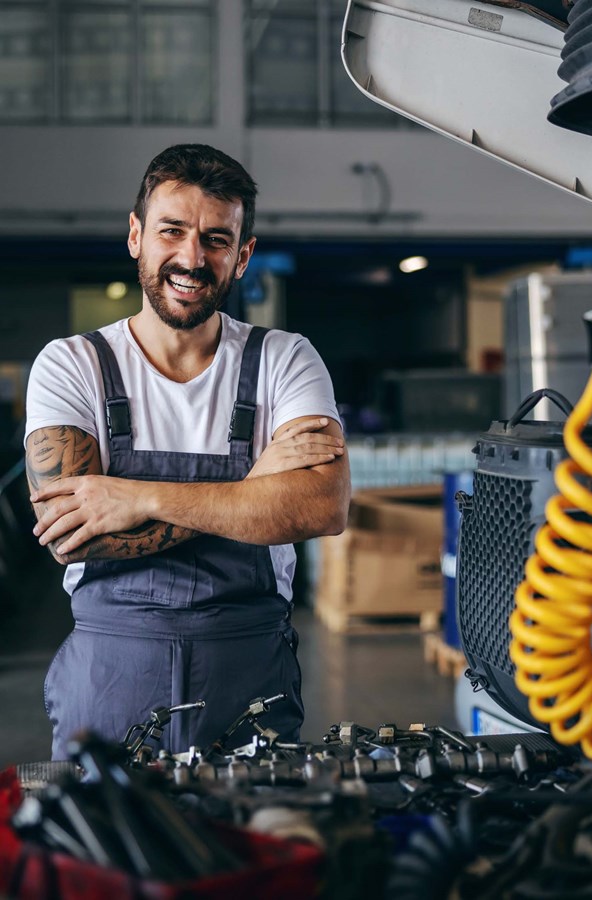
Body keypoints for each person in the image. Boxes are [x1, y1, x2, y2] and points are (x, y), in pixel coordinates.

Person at [25, 144, 350, 760]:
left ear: (243, 254)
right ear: (135, 236)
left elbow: (319, 508)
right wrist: (254, 492)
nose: (191, 258)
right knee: (105, 847)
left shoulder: (284, 359)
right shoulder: (72, 365)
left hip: (249, 674)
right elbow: (73, 534)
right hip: (110, 676)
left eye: (216, 239)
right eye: (171, 231)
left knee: (246, 847)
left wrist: (135, 495)